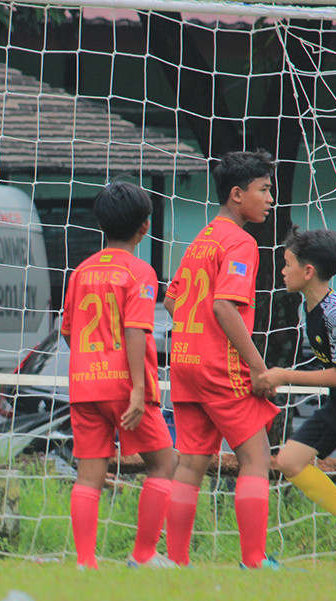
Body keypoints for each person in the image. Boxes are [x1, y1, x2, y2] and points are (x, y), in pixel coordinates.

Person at [164, 149, 281, 569]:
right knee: (256, 456)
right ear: (237, 194)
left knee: (192, 462)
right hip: (219, 366)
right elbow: (225, 308)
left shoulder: (203, 237)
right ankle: (254, 561)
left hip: (185, 362)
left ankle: (176, 561)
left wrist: (196, 338)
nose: (271, 200)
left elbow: (172, 298)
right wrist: (256, 366)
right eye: (264, 190)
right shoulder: (241, 242)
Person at [61, 182, 177, 570]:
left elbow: (67, 330)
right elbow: (134, 329)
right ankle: (143, 555)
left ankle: (84, 561)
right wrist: (140, 390)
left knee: (89, 473)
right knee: (164, 463)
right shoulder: (141, 271)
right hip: (126, 388)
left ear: (101, 226)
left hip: (84, 385)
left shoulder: (81, 271)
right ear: (145, 226)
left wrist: (87, 364)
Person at [261, 229, 336, 522]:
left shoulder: (335, 315)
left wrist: (284, 376)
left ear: (308, 271)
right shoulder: (310, 308)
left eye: (287, 263)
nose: (282, 271)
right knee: (288, 461)